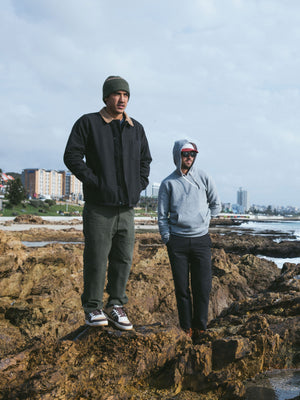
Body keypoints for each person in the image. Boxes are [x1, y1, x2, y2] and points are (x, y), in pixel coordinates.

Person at [64, 76, 152, 330]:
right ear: (106, 97)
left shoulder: (136, 128)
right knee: (97, 258)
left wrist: (139, 184)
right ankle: (93, 308)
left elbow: (145, 161)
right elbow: (72, 155)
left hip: (126, 208)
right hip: (99, 208)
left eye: (126, 94)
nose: (122, 99)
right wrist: (94, 181)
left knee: (123, 258)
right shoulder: (88, 123)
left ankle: (116, 305)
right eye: (117, 94)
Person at [158, 139, 221, 339]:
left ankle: (200, 327)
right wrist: (167, 237)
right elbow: (162, 216)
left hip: (201, 240)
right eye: (185, 154)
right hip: (177, 242)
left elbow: (216, 204)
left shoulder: (204, 177)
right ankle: (187, 327)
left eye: (193, 154)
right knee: (181, 288)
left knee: (202, 287)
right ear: (177, 155)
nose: (189, 157)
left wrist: (204, 221)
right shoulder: (168, 183)